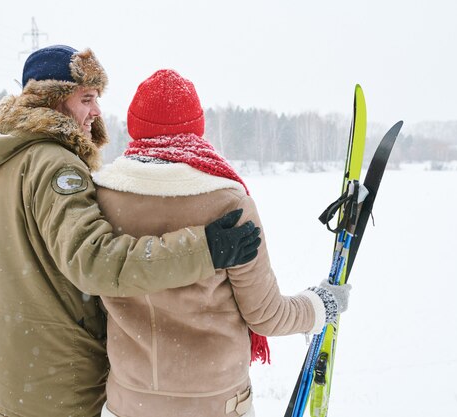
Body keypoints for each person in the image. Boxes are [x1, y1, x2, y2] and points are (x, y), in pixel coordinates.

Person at [0, 46, 261, 417]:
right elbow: (96, 262)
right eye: (86, 99)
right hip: (57, 380)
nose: (96, 112)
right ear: (52, 101)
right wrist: (205, 249)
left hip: (7, 370)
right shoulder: (56, 165)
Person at [94, 69, 351, 417]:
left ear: (134, 124)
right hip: (215, 402)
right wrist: (320, 306)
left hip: (129, 400)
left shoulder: (101, 196)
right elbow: (266, 315)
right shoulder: (226, 201)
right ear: (197, 125)